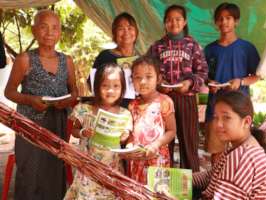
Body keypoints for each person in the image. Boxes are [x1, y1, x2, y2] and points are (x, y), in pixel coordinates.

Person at [4, 10, 77, 200]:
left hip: (57, 126)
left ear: (60, 31)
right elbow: (9, 92)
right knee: (30, 174)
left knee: (54, 172)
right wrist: (30, 100)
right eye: (44, 26)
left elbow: (75, 92)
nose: (49, 32)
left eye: (55, 27)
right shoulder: (24, 59)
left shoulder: (67, 61)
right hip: (30, 127)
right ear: (34, 30)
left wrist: (67, 101)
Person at [147, 4, 208, 171]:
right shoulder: (157, 46)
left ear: (185, 22)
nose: (173, 23)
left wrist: (189, 84)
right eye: (169, 20)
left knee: (189, 143)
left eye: (178, 19)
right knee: (162, 144)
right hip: (163, 102)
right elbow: (147, 70)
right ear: (165, 23)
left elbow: (203, 72)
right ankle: (162, 187)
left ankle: (192, 188)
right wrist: (158, 86)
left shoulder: (192, 45)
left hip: (186, 99)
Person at [193, 91, 266, 199]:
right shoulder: (238, 148)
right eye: (216, 117)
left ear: (246, 122)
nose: (218, 124)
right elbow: (210, 176)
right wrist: (179, 179)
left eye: (226, 118)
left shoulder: (242, 158)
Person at [64, 64, 133, 200]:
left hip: (112, 170)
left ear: (122, 88)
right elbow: (74, 131)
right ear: (97, 87)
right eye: (105, 86)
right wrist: (83, 132)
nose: (110, 91)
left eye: (116, 86)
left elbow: (125, 138)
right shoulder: (84, 109)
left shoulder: (125, 113)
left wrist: (125, 137)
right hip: (87, 169)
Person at [123, 56, 176, 184]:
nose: (143, 82)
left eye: (148, 76)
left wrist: (156, 145)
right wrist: (129, 147)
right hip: (137, 161)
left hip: (158, 160)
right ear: (132, 81)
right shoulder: (132, 105)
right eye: (138, 77)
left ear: (158, 79)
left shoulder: (165, 101)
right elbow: (131, 134)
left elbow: (172, 131)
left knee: (156, 194)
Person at [205, 2, 260, 122]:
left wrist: (240, 82)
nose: (224, 22)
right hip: (215, 108)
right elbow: (204, 77)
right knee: (214, 140)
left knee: (240, 141)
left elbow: (258, 76)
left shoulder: (247, 48)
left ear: (236, 21)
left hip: (239, 108)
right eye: (220, 19)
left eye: (228, 18)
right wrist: (209, 83)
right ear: (216, 23)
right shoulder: (209, 49)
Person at [92, 12, 139, 108]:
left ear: (136, 32)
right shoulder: (104, 56)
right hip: (110, 109)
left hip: (135, 110)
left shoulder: (141, 59)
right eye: (121, 29)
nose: (126, 32)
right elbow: (91, 83)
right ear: (114, 33)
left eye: (130, 28)